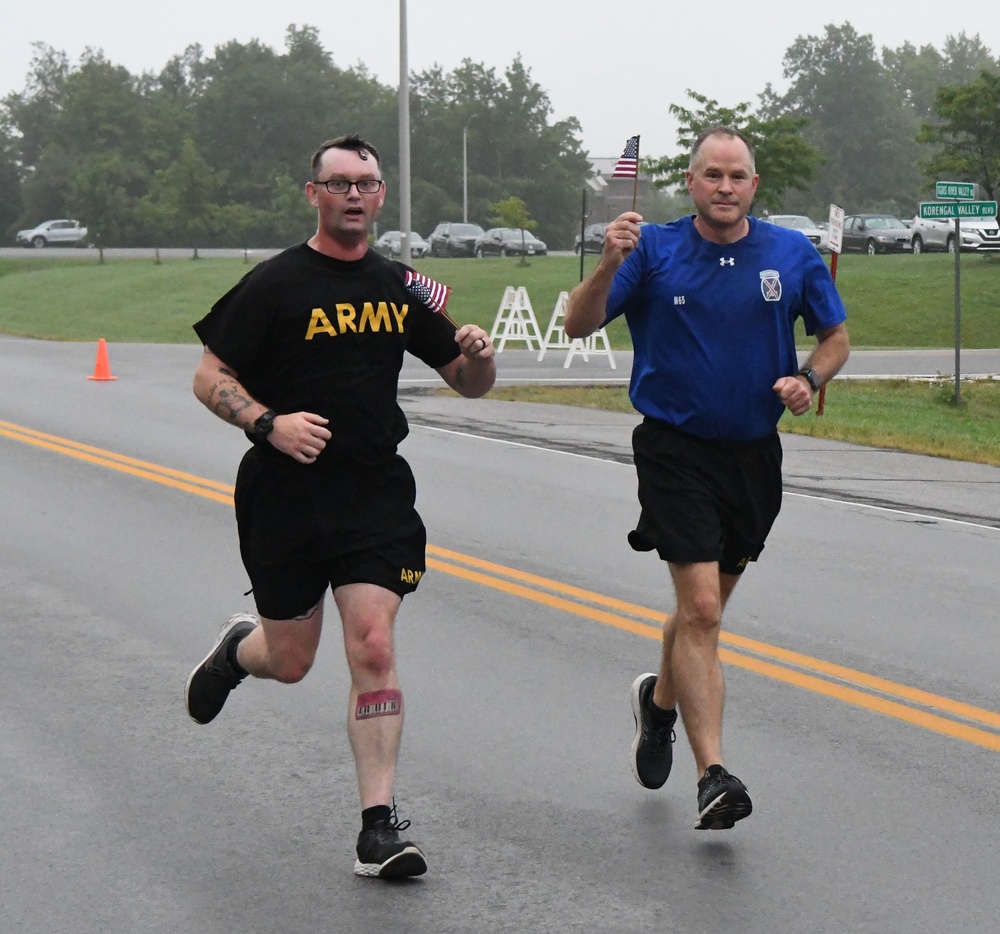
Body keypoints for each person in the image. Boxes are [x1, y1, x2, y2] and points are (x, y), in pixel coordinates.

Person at [184, 134, 496, 878]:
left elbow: (466, 379)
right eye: (341, 183)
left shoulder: (400, 285)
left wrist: (480, 357)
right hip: (286, 499)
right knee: (290, 661)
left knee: (374, 647)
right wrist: (267, 423)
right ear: (314, 193)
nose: (355, 195)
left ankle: (378, 828)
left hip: (373, 496)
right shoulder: (275, 285)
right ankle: (238, 651)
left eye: (368, 183)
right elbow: (208, 374)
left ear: (381, 196)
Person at [564, 126, 849, 830]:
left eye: (738, 176)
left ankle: (659, 705)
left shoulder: (790, 253)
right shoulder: (652, 249)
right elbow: (577, 323)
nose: (725, 186)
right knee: (701, 612)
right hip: (674, 451)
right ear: (690, 182)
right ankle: (714, 775)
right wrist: (607, 263)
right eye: (712, 175)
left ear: (754, 185)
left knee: (705, 610)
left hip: (753, 459)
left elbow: (836, 338)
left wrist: (808, 377)